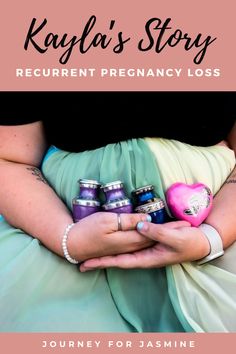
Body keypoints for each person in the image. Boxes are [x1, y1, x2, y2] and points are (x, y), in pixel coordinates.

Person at [0, 91, 235, 333]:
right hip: (63, 250)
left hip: (222, 240)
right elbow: (9, 160)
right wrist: (67, 239)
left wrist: (212, 237)